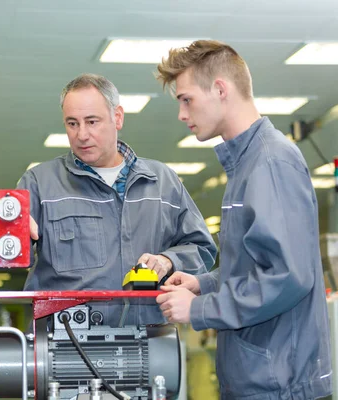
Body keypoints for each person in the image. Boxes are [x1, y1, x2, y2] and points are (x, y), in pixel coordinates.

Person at [155, 40, 332, 399]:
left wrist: (200, 309)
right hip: (257, 379)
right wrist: (203, 284)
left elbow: (287, 276)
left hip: (279, 386)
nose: (181, 114)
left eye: (186, 99)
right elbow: (254, 265)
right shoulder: (246, 165)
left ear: (220, 89)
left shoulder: (271, 162)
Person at [17, 73, 217, 327]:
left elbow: (202, 248)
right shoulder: (39, 184)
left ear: (117, 117)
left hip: (148, 342)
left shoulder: (162, 183)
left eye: (92, 121)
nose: (81, 135)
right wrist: (12, 238)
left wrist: (169, 260)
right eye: (72, 123)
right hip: (65, 346)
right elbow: (8, 257)